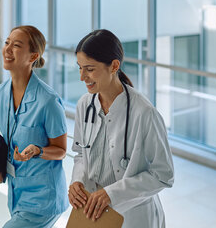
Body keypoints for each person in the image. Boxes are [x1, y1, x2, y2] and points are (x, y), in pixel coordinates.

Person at [68, 29, 174, 228]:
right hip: (92, 212)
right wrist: (77, 181)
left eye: (89, 69)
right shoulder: (85, 104)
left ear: (114, 66)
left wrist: (113, 194)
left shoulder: (144, 113)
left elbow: (163, 175)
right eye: (80, 68)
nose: (83, 77)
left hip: (133, 215)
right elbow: (81, 153)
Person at [0, 25, 69, 228]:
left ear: (33, 56)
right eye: (7, 43)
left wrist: (38, 151)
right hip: (17, 194)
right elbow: (7, 136)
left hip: (44, 199)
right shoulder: (1, 92)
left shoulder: (48, 101)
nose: (7, 49)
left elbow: (60, 151)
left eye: (16, 45)